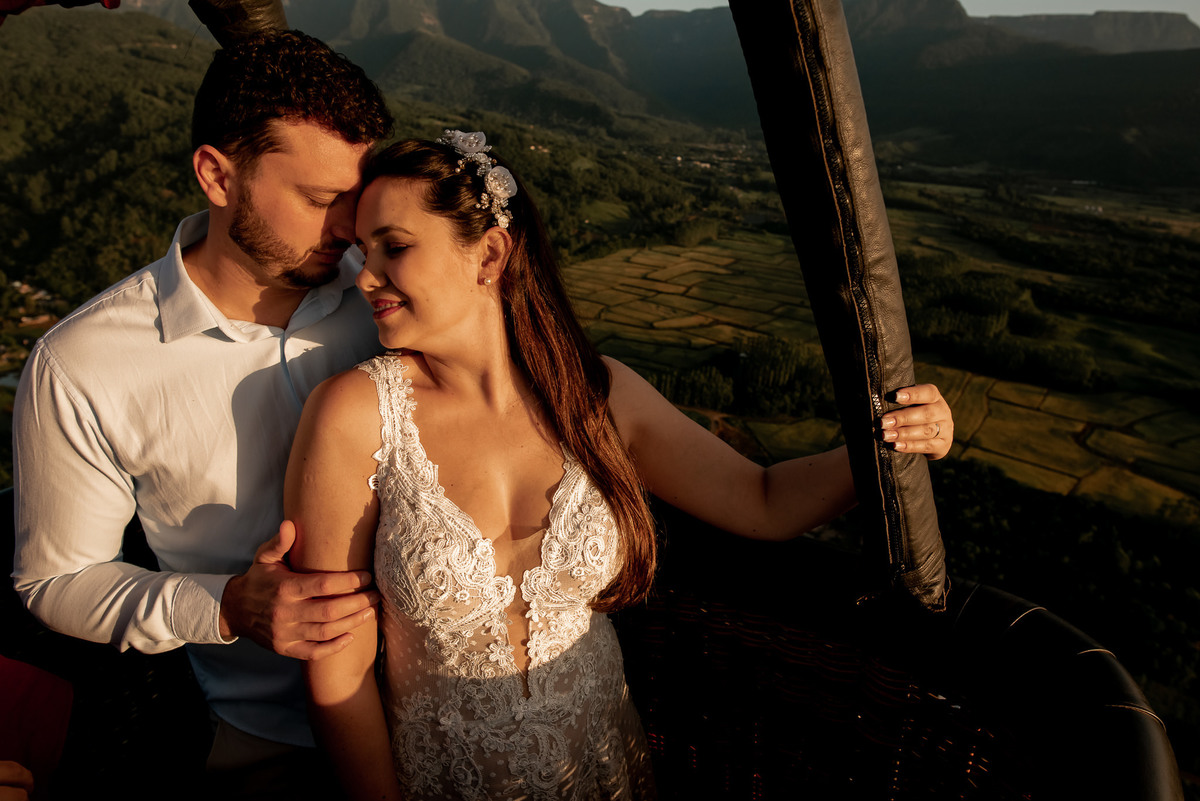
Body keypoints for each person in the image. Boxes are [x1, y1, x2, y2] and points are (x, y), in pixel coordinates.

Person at [285, 131, 955, 800]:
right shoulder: (354, 415)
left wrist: (895, 441)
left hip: (605, 771)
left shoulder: (598, 395)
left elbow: (763, 499)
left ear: (489, 253)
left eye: (393, 247)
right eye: (362, 252)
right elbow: (334, 662)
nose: (365, 276)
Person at [11, 30, 393, 793]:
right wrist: (222, 606)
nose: (349, 228)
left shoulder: (392, 295)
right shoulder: (84, 362)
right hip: (255, 746)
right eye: (320, 201)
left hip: (436, 711)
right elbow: (57, 580)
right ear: (217, 175)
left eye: (355, 197)